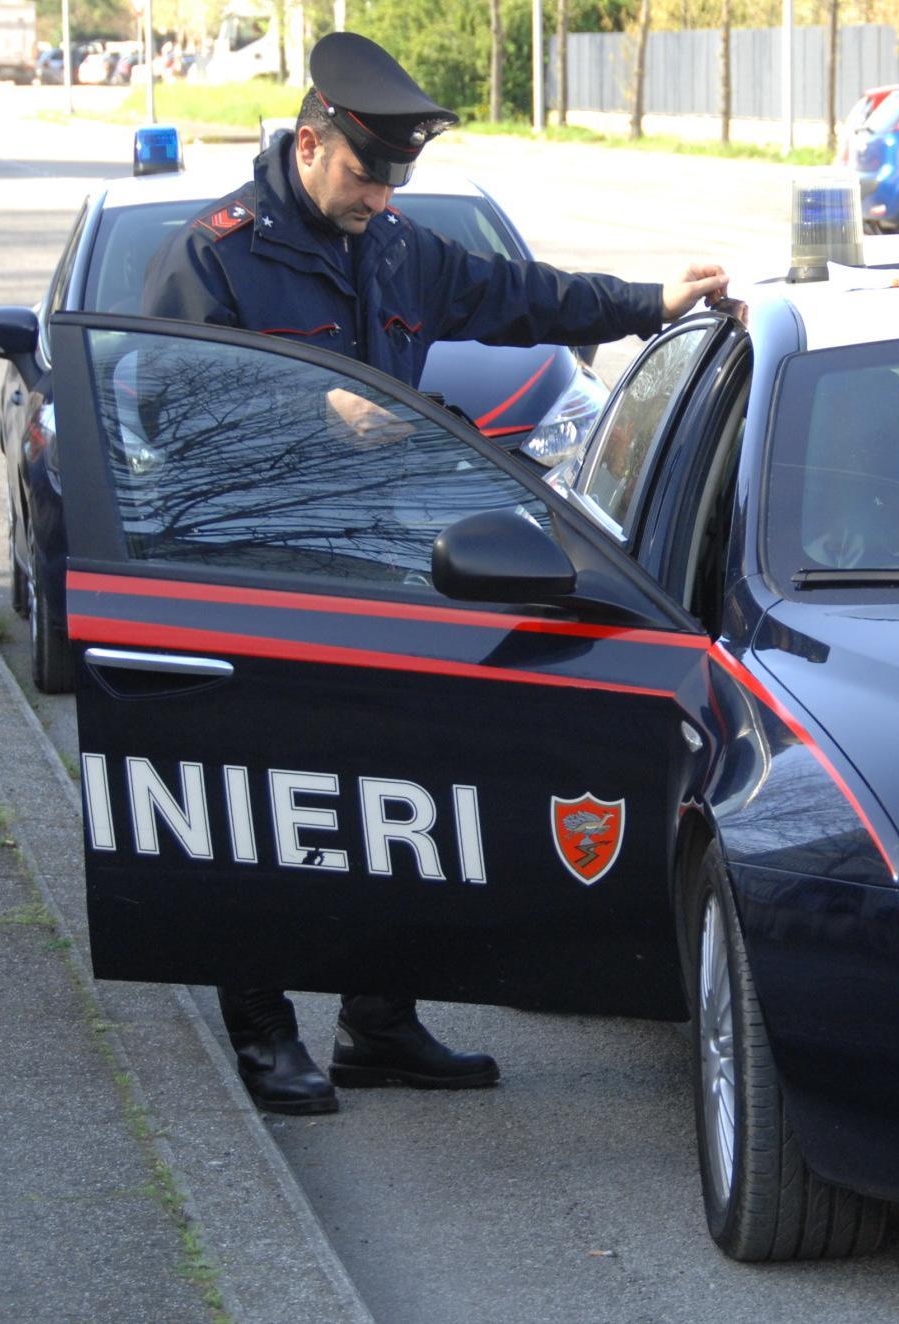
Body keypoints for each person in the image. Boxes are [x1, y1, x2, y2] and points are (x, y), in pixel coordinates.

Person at [139, 30, 740, 1117]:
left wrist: (650, 299)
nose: (384, 196)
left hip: (380, 572)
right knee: (263, 810)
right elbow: (160, 410)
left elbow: (520, 296)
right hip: (259, 579)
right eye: (371, 175)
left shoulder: (395, 246)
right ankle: (267, 1035)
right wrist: (304, 412)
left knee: (394, 797)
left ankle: (379, 1022)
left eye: (396, 179)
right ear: (313, 143)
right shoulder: (213, 255)